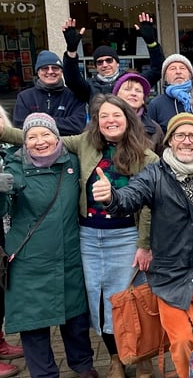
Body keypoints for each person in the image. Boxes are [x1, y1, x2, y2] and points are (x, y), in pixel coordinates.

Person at [0, 95, 159, 378]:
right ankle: (116, 358)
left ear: (128, 119)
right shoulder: (84, 143)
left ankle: (142, 356)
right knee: (99, 302)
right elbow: (42, 136)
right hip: (89, 235)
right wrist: (3, 131)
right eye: (103, 116)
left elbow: (148, 206)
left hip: (125, 236)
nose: (110, 120)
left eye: (116, 115)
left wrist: (144, 244)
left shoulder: (148, 157)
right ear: (96, 122)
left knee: (130, 300)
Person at [91, 112, 193, 378]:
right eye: (179, 135)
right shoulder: (155, 174)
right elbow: (130, 198)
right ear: (170, 141)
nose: (186, 141)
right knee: (184, 340)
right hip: (172, 275)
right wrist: (111, 198)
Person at [0, 113, 97, 378]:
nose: (39, 141)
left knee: (75, 317)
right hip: (28, 259)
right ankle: (44, 374)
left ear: (57, 137)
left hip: (68, 254)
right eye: (32, 136)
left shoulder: (72, 163)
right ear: (24, 141)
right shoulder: (13, 166)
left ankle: (82, 365)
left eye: (46, 134)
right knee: (34, 325)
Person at [62, 14, 165, 104]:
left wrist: (151, 43)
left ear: (118, 63)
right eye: (100, 62)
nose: (105, 65)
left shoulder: (132, 80)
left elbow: (157, 70)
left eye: (109, 60)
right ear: (95, 67)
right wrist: (71, 51)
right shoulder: (90, 87)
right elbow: (72, 80)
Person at [12, 50, 86, 136]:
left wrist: (37, 121)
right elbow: (20, 125)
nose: (50, 71)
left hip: (67, 146)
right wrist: (60, 123)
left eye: (55, 68)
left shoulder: (74, 95)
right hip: (35, 147)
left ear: (61, 71)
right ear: (38, 72)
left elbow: (78, 126)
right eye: (45, 68)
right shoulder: (24, 97)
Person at [113, 71, 164, 153]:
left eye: (138, 91)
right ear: (116, 95)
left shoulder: (155, 129)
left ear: (143, 100)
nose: (133, 93)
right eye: (127, 89)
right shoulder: (102, 123)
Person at [148, 54, 193, 132]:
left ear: (190, 75)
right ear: (165, 77)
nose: (178, 72)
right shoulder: (156, 104)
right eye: (173, 69)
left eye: (182, 68)